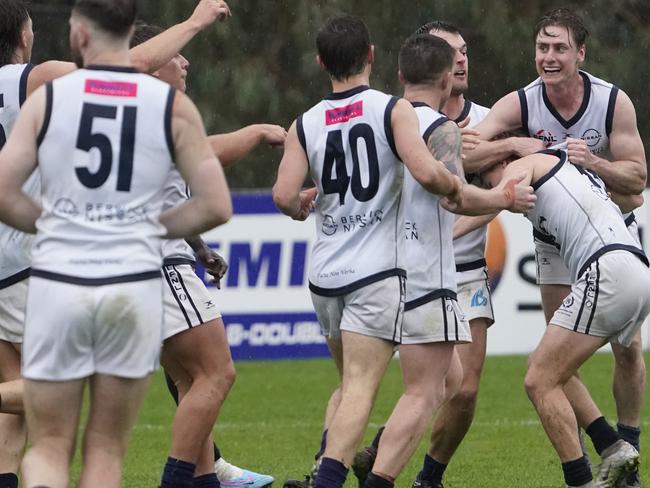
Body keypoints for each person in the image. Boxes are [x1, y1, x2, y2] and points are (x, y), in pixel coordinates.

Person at [0, 0, 232, 486]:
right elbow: (135, 67)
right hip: (43, 263)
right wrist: (193, 21)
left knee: (23, 415)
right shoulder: (37, 83)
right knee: (83, 427)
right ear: (24, 36)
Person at [351, 21, 544, 488]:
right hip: (413, 267)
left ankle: (420, 474)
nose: (460, 59)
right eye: (450, 52)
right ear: (435, 67)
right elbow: (447, 173)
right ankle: (353, 464)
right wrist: (504, 148)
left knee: (461, 388)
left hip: (466, 266)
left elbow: (497, 182)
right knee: (408, 385)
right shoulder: (402, 118)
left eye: (464, 51)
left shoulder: (486, 119)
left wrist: (498, 151)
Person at [468, 9, 646, 486]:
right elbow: (467, 149)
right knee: (557, 358)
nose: (549, 57)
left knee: (625, 352)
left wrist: (594, 164)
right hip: (552, 240)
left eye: (560, 48)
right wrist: (521, 146)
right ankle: (612, 446)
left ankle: (626, 447)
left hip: (609, 233)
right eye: (543, 48)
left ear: (580, 54)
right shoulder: (522, 103)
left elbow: (638, 184)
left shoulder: (612, 102)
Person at [131, 21, 280, 488]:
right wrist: (256, 132)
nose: (185, 61)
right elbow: (205, 154)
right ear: (151, 64)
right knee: (217, 373)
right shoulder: (151, 109)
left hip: (141, 262)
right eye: (176, 54)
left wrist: (198, 246)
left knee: (190, 382)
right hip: (159, 265)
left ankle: (206, 481)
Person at [480, 149, 648, 488]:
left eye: (485, 179)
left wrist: (454, 213)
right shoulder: (570, 171)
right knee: (555, 369)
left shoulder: (522, 164)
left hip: (608, 270)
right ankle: (611, 444)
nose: (488, 186)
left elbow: (494, 202)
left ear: (501, 163)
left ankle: (581, 479)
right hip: (635, 268)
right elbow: (634, 198)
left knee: (538, 379)